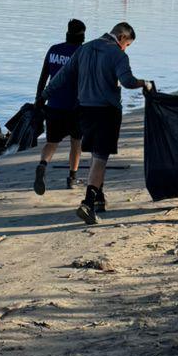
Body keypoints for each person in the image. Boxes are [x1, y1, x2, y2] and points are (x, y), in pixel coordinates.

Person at [44, 21, 154, 225]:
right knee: (101, 157)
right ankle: (88, 202)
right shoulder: (118, 54)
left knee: (95, 153)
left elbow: (63, 75)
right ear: (122, 38)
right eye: (127, 45)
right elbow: (128, 81)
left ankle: (100, 198)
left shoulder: (84, 49)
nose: (126, 48)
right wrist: (144, 83)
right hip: (107, 111)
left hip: (84, 110)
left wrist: (45, 94)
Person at [32, 18, 86, 195]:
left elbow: (43, 78)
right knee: (76, 142)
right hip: (75, 107)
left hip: (53, 105)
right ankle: (72, 178)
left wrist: (39, 100)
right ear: (82, 36)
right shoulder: (82, 52)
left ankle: (42, 164)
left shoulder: (53, 50)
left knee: (51, 142)